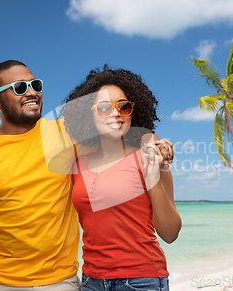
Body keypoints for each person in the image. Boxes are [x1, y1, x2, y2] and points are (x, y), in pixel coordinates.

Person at [0, 60, 174, 291]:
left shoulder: (66, 134)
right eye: (20, 87)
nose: (32, 92)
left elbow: (120, 128)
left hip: (62, 282)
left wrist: (151, 140)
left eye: (35, 85)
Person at [61, 66, 182, 291]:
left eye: (123, 107)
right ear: (89, 115)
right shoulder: (77, 165)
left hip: (142, 280)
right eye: (104, 108)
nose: (116, 113)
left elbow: (170, 233)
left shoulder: (149, 156)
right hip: (91, 281)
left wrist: (154, 174)